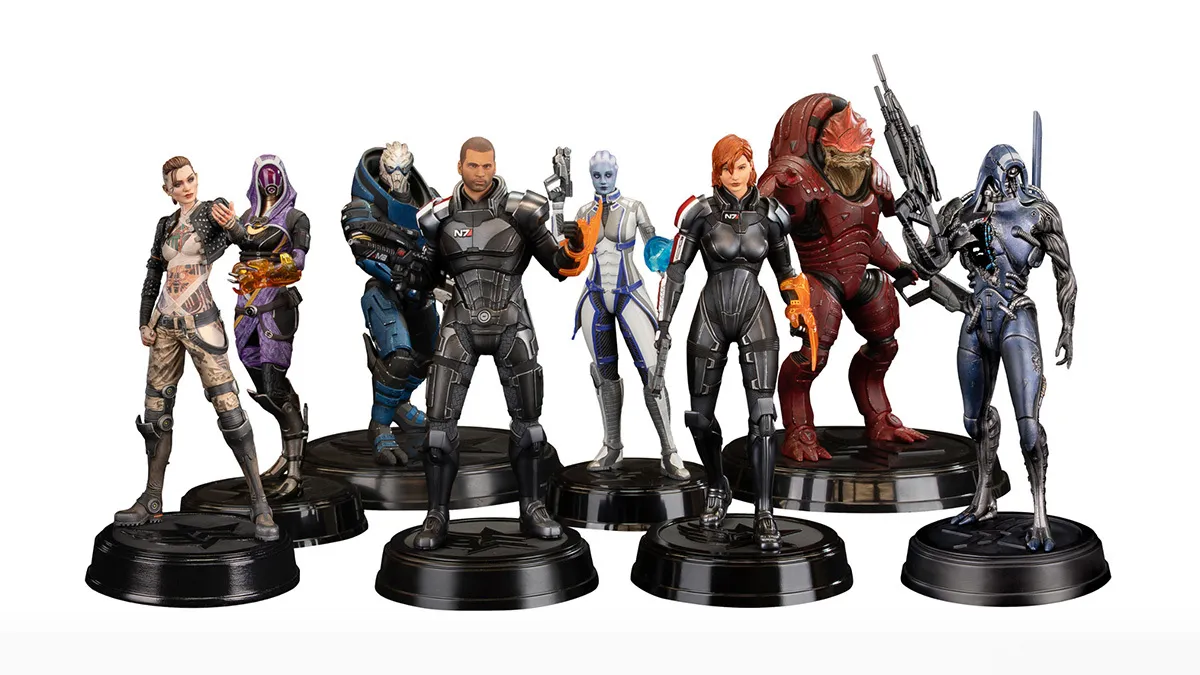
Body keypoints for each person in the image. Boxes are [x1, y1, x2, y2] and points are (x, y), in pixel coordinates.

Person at [657, 135, 816, 551]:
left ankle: (764, 510)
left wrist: (799, 308)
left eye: (741, 166)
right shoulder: (700, 213)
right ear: (717, 171)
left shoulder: (770, 214)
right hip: (710, 313)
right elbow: (676, 271)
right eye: (726, 168)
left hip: (755, 314)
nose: (734, 175)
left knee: (763, 416)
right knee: (699, 417)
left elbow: (787, 271)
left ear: (751, 167)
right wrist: (663, 322)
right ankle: (717, 485)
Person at [118, 156, 279, 541]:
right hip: (165, 326)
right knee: (156, 413)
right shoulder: (165, 225)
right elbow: (153, 274)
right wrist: (143, 320)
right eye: (178, 184)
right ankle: (152, 497)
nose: (186, 187)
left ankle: (260, 502)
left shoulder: (211, 212)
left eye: (190, 179)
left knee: (229, 408)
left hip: (202, 322)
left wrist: (235, 225)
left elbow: (248, 243)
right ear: (168, 190)